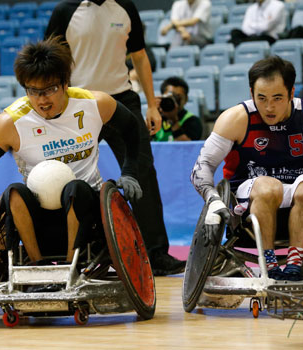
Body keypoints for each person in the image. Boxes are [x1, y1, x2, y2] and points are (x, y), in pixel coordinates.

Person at [0, 36, 142, 264]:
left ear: (65, 83)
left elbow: (133, 128)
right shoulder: (9, 123)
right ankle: (37, 265)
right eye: (33, 91)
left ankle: (69, 267)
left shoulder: (95, 104)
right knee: (13, 192)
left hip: (89, 211)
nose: (41, 100)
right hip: (40, 218)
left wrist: (130, 172)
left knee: (75, 188)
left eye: (50, 89)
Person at [45, 0, 185, 275]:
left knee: (143, 172)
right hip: (77, 104)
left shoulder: (126, 7)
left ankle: (155, 253)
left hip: (122, 101)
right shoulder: (65, 11)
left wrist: (152, 105)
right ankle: (72, 253)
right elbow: (49, 60)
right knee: (68, 177)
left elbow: (140, 56)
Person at [190, 56, 303, 281]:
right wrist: (212, 200)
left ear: (291, 92)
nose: (269, 107)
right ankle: (269, 262)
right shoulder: (235, 119)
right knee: (269, 186)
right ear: (251, 93)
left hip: (299, 195)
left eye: (278, 98)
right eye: (262, 98)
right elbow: (202, 167)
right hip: (249, 199)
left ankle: (295, 264)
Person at [153, 76, 202, 141]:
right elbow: (141, 142)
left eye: (178, 97)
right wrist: (152, 111)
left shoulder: (192, 121)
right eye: (170, 97)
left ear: (186, 99)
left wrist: (174, 121)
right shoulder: (155, 119)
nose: (174, 101)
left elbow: (188, 148)